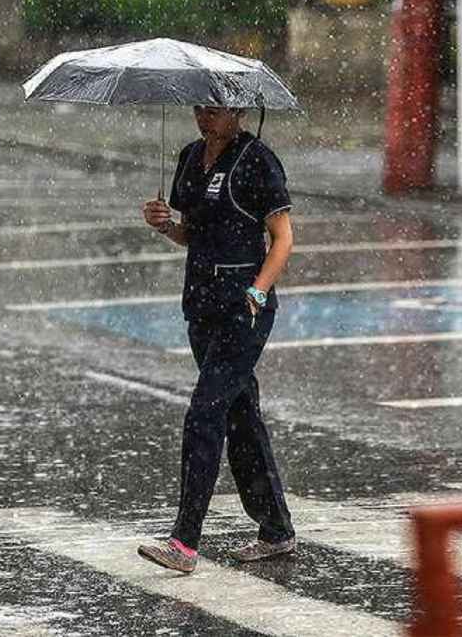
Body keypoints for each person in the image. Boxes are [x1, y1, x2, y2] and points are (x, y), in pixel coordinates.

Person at [135, 104, 296, 574]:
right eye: (200, 108)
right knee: (241, 416)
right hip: (201, 306)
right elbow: (195, 234)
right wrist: (165, 225)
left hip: (243, 311)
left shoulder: (257, 160)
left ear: (240, 110)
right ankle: (276, 529)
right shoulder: (188, 157)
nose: (206, 118)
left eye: (217, 110)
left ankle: (184, 541)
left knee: (205, 414)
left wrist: (257, 291)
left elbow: (283, 238)